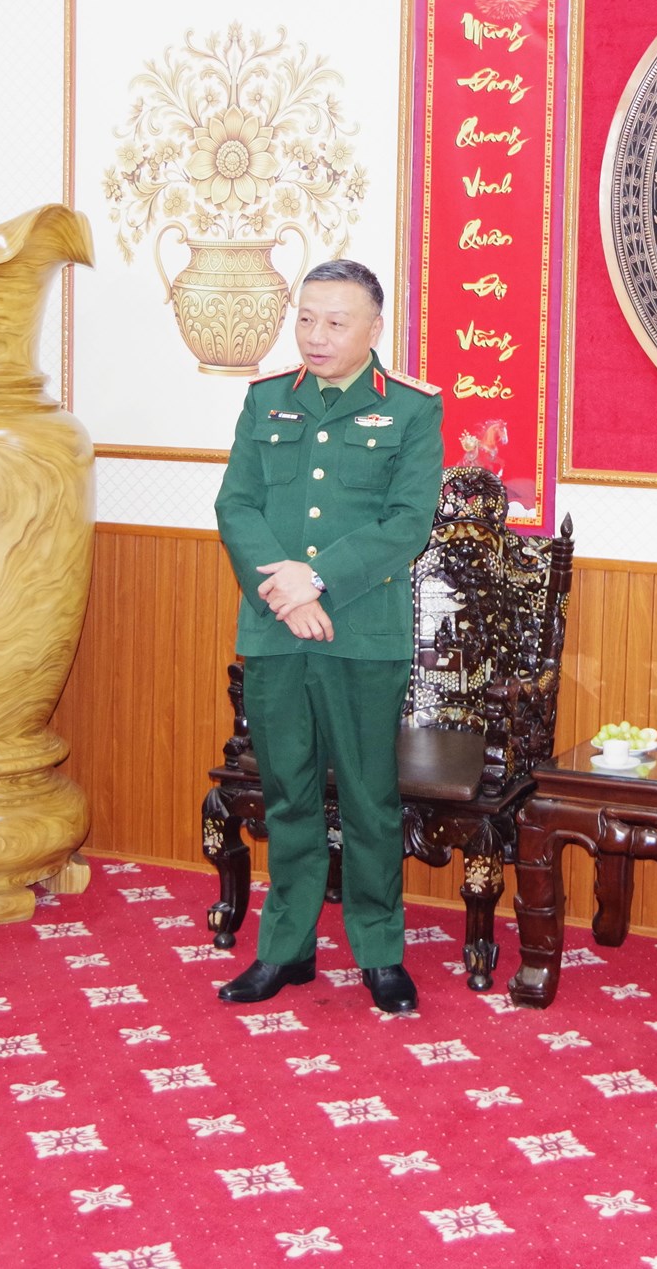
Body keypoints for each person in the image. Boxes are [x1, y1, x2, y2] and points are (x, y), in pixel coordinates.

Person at [212, 260, 444, 1014]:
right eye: (306, 318)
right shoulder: (266, 399)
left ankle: (380, 952)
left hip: (361, 633)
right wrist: (284, 593)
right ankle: (286, 949)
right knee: (288, 794)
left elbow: (407, 523)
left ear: (374, 329)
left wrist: (316, 580)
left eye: (336, 322)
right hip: (276, 630)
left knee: (371, 799)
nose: (316, 335)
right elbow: (237, 505)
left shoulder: (411, 409)